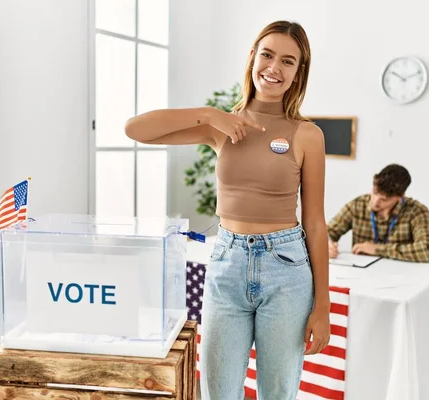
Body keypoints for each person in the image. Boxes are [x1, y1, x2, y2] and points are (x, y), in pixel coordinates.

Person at [125, 20, 330, 400]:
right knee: (218, 391)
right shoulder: (220, 127)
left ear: (299, 72)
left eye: (288, 61)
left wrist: (323, 307)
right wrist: (208, 114)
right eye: (267, 55)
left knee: (277, 393)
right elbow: (135, 130)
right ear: (252, 57)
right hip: (226, 263)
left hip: (286, 269)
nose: (274, 68)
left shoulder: (307, 135)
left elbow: (315, 225)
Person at [327, 164, 429, 263]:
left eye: (384, 199)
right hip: (361, 276)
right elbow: (326, 232)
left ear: (400, 197)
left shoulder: (416, 211)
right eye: (374, 193)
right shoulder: (357, 205)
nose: (375, 202)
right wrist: (327, 245)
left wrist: (377, 249)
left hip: (401, 277)